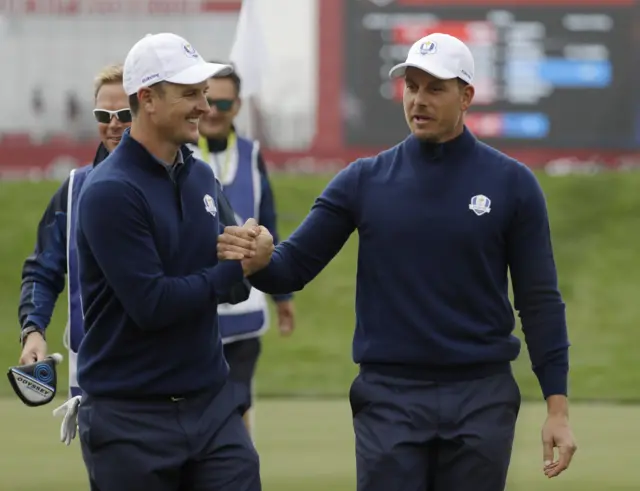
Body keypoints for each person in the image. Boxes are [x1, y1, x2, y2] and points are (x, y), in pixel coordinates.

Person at [218, 33, 577, 490]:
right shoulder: (363, 181)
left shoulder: (513, 184)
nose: (418, 100)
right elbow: (292, 269)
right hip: (389, 398)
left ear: (466, 96)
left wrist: (557, 410)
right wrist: (261, 260)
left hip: (481, 397)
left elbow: (540, 302)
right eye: (412, 86)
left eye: (434, 88)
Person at [74, 33, 269, 491]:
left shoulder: (200, 174)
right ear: (148, 100)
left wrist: (252, 251)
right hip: (129, 418)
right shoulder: (109, 192)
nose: (204, 105)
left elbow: (234, 285)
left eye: (203, 93)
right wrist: (235, 269)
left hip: (211, 405)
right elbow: (153, 304)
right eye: (190, 94)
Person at [191, 65, 296, 435]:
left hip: (245, 300)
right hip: (193, 303)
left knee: (237, 401)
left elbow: (268, 221)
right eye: (209, 100)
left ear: (237, 106)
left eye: (224, 102)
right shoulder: (179, 152)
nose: (215, 110)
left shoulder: (251, 154)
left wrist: (283, 294)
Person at [18, 64, 131, 393]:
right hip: (92, 377)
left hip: (162, 375)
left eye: (124, 113)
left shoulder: (179, 180)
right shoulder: (72, 189)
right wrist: (33, 330)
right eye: (103, 114)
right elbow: (42, 269)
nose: (113, 124)